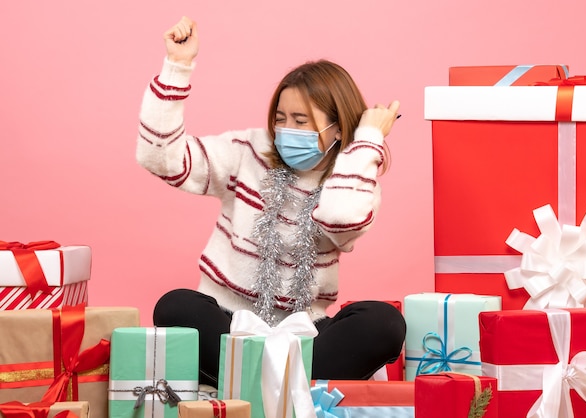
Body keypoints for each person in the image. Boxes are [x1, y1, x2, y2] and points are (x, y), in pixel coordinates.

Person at [139, 16, 406, 388]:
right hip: (230, 324)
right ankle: (287, 385)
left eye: (301, 121)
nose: (286, 131)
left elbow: (340, 217)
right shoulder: (249, 150)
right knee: (175, 306)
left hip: (306, 333)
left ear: (339, 129)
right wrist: (177, 67)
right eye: (281, 119)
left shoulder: (354, 174)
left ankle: (254, 380)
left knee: (385, 323)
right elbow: (163, 158)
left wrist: (367, 139)